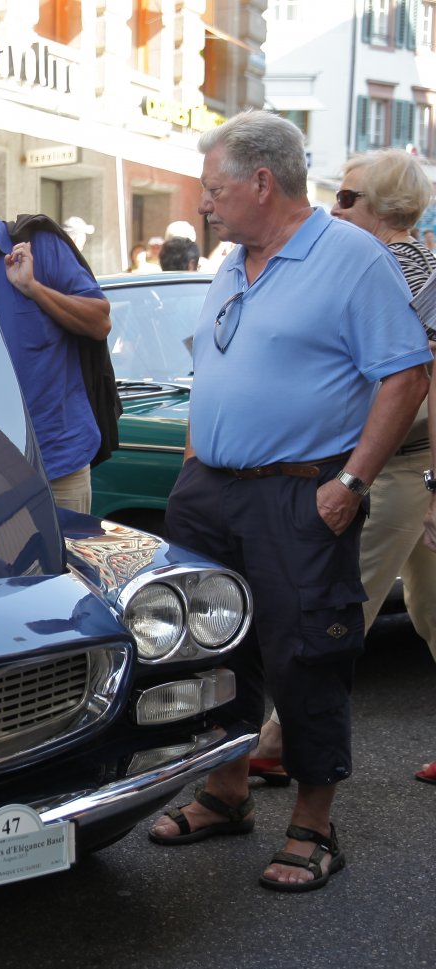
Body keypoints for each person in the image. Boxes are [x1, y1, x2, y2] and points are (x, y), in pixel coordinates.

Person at [145, 111, 429, 892]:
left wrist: (352, 482)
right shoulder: (234, 263)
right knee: (213, 650)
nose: (205, 203)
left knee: (308, 654)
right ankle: (226, 792)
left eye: (215, 189)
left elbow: (406, 375)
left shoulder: (352, 258)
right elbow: (214, 372)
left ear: (262, 182)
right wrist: (193, 468)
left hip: (302, 492)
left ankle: (313, 826)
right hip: (213, 493)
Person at [254, 149, 436, 788]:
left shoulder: (392, 268)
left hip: (393, 466)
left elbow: (418, 382)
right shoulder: (414, 263)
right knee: (430, 610)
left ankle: (276, 741)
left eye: (348, 197)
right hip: (406, 466)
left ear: (385, 206)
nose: (334, 208)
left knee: (337, 607)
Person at [0, 148, 112, 512]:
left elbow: (99, 322)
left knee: (66, 553)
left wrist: (34, 289)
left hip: (57, 462)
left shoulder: (39, 245)